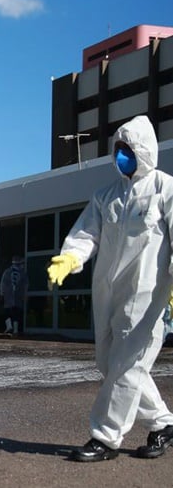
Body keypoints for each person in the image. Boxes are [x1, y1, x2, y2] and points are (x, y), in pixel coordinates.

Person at [47, 115, 173, 462]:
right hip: (107, 292)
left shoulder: (166, 189)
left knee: (128, 364)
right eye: (118, 149)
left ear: (144, 151)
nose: (122, 156)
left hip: (147, 294)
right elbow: (87, 234)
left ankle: (105, 437)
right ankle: (163, 423)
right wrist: (70, 258)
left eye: (128, 150)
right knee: (110, 362)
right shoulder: (106, 196)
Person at [0, 255, 27, 334]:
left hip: (9, 295)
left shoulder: (7, 272)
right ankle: (14, 329)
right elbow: (26, 285)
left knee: (8, 311)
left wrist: (2, 294)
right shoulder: (22, 273)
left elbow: (2, 284)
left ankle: (9, 327)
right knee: (15, 312)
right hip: (16, 296)